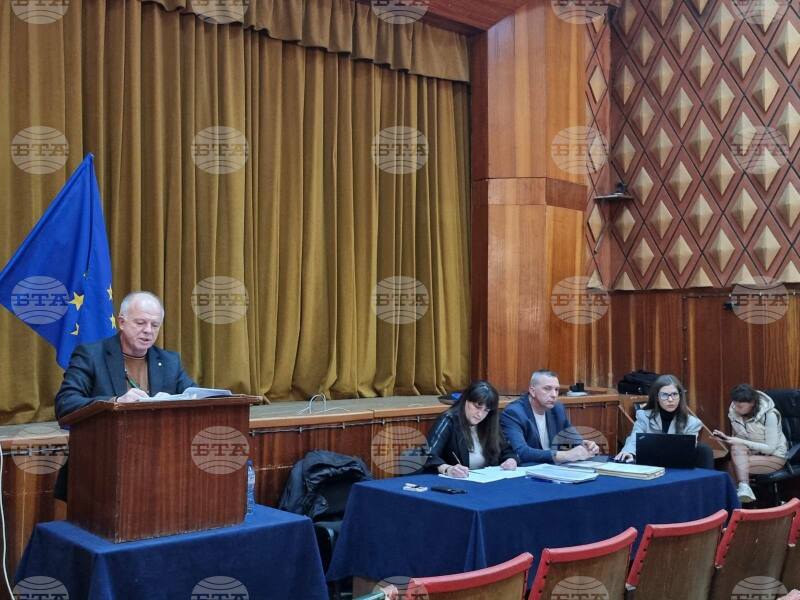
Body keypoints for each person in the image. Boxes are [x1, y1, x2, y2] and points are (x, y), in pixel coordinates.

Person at [53, 291, 196, 499]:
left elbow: (193, 396)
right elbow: (65, 404)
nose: (148, 331)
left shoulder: (169, 362)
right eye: (140, 323)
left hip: (159, 469)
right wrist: (116, 402)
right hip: (100, 468)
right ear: (121, 322)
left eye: (155, 325)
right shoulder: (91, 355)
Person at [500, 370, 599, 464]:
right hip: (528, 468)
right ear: (532, 391)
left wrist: (585, 446)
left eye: (556, 390)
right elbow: (521, 452)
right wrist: (565, 455)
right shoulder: (514, 413)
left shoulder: (557, 408)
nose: (554, 395)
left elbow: (573, 440)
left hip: (553, 468)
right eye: (547, 389)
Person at [615, 374, 712, 468]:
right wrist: (628, 451)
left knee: (704, 449)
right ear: (657, 397)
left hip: (677, 467)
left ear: (680, 396)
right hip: (651, 466)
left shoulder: (692, 423)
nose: (670, 399)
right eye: (665, 395)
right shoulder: (644, 416)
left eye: (674, 394)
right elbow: (634, 437)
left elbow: (686, 452)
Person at [425, 380, 518, 478]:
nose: (480, 414)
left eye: (486, 410)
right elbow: (427, 455)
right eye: (477, 407)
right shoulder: (449, 420)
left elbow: (507, 451)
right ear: (466, 400)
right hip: (457, 482)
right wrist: (447, 469)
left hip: (487, 480)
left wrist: (511, 460)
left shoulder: (489, 421)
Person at [713, 384, 788, 504]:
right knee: (726, 463)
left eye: (740, 406)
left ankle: (738, 500)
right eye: (734, 404)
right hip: (748, 455)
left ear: (752, 403)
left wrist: (739, 441)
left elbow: (770, 449)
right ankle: (740, 496)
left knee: (732, 467)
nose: (736, 409)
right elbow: (739, 441)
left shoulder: (770, 415)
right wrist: (727, 439)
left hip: (774, 457)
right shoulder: (734, 412)